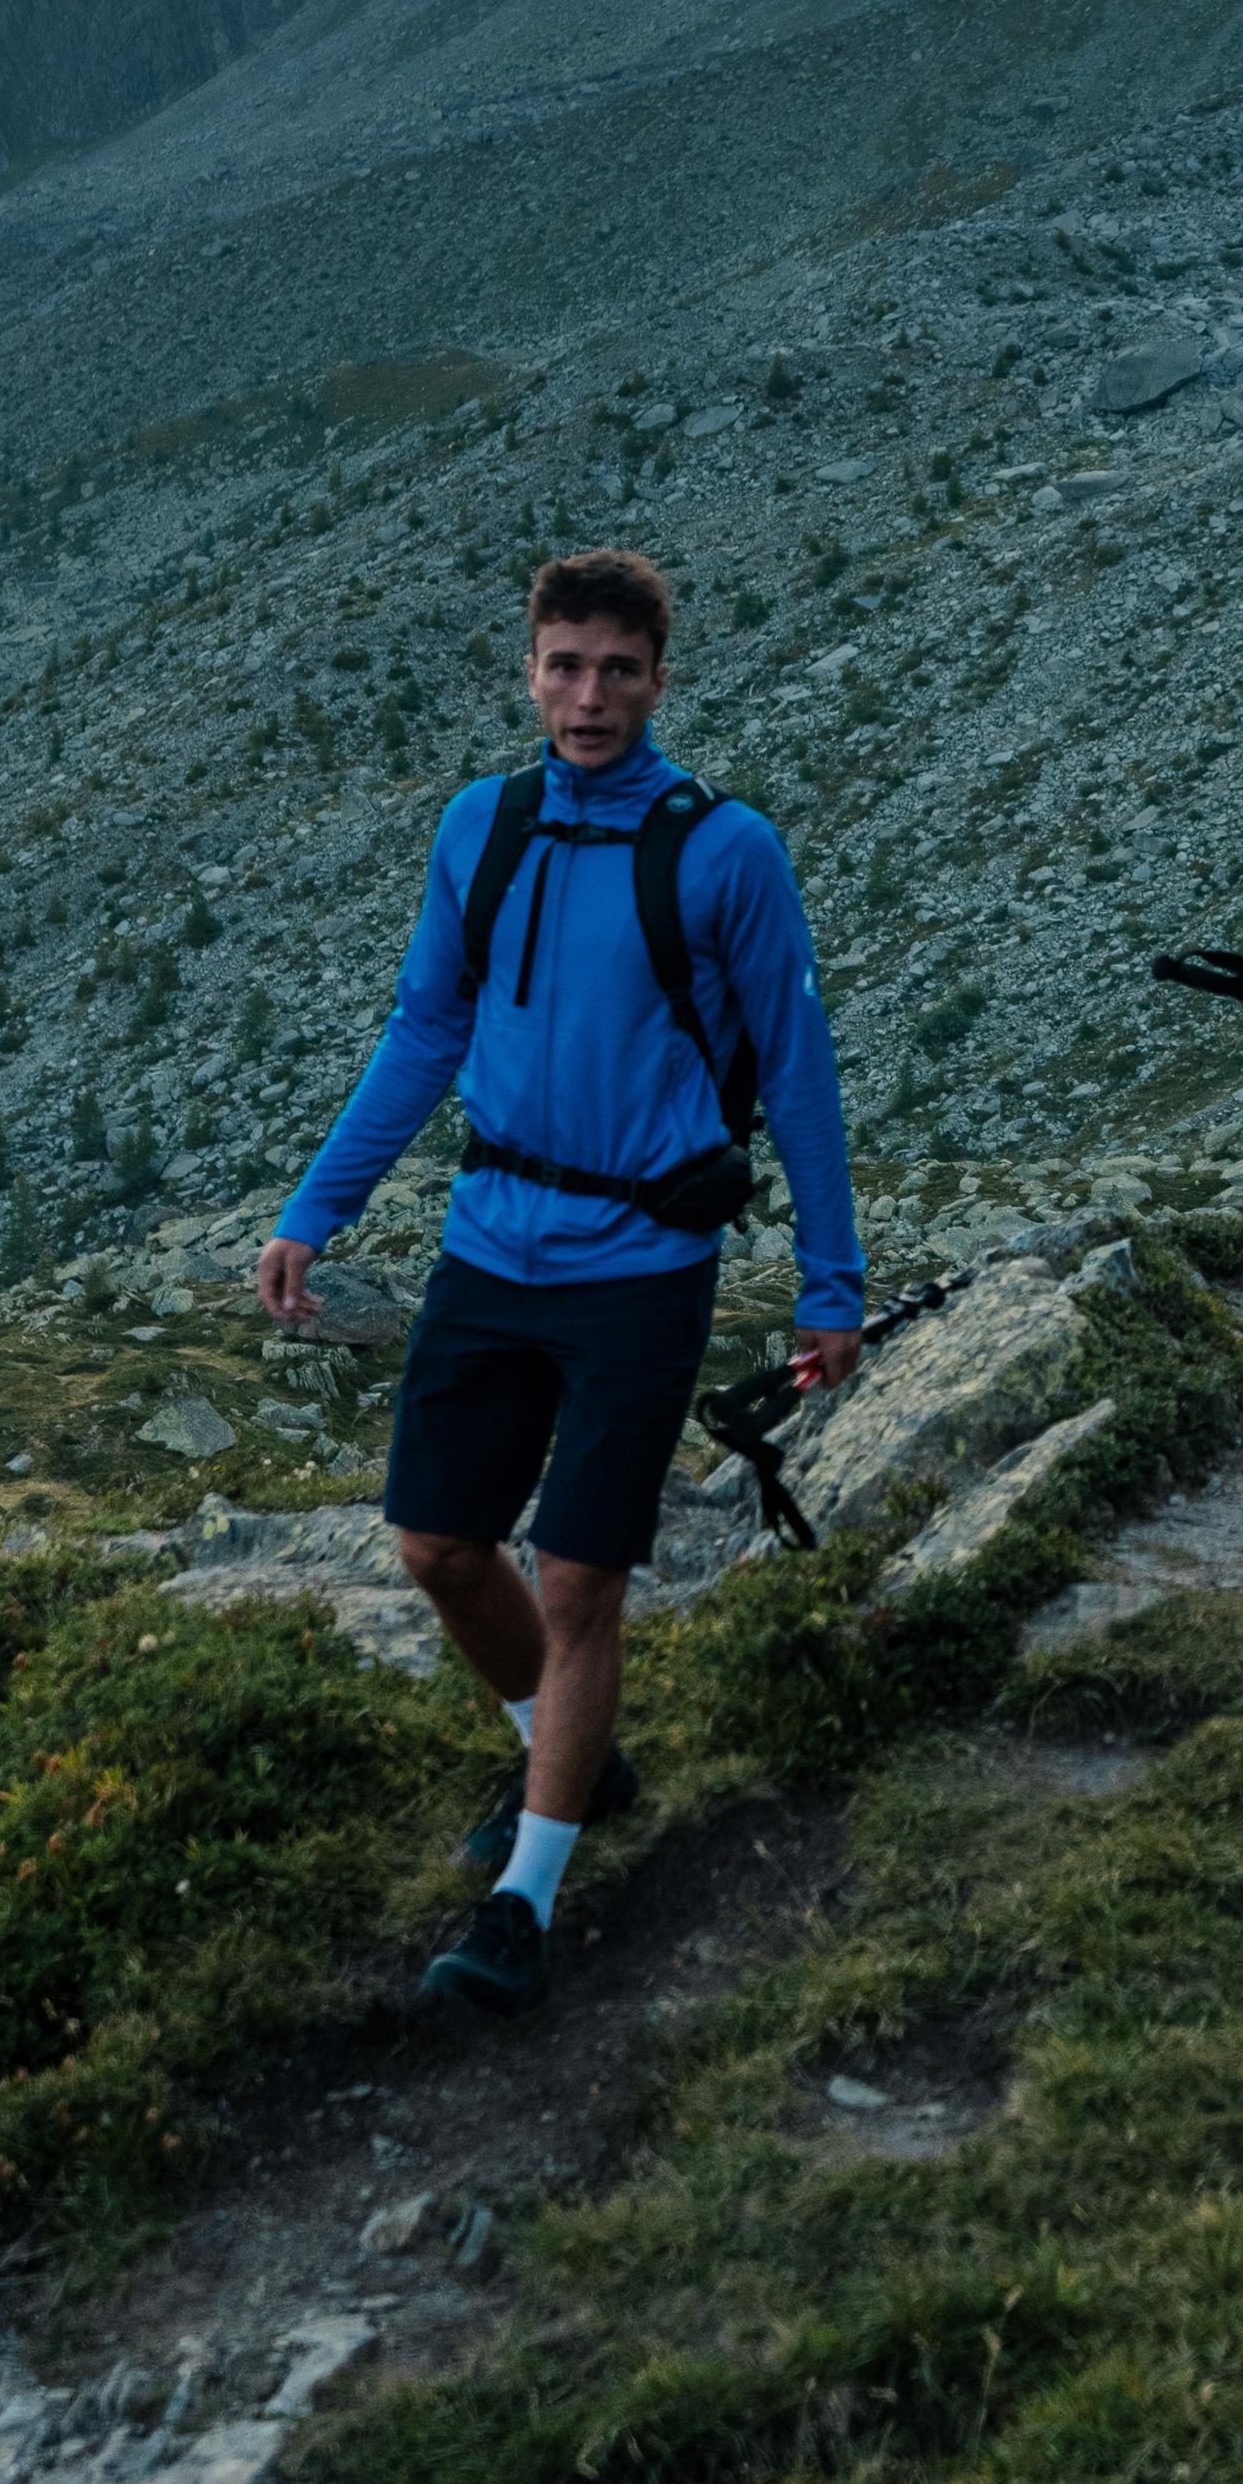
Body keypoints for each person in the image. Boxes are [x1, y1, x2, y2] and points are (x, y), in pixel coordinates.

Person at [257, 549, 865, 2008]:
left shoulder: (727, 851)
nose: (588, 697)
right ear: (526, 670)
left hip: (645, 1263)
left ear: (663, 676)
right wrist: (314, 1211)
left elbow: (797, 1070)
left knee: (580, 1577)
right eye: (562, 666)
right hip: (489, 1241)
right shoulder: (483, 826)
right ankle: (570, 1757)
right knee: (435, 1548)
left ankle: (525, 1899)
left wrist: (830, 1284)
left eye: (618, 670)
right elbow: (422, 1034)